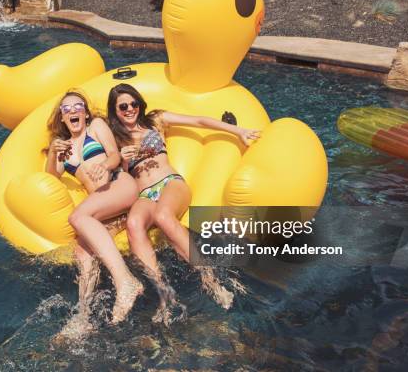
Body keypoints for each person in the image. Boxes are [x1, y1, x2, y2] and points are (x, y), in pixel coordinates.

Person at [106, 83, 260, 315]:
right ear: (115, 111)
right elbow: (117, 176)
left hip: (170, 183)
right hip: (145, 193)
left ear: (140, 104)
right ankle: (163, 294)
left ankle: (210, 280)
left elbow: (198, 121)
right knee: (134, 224)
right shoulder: (115, 139)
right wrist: (123, 161)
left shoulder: (155, 121)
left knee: (163, 215)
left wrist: (237, 131)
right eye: (123, 106)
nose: (130, 109)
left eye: (133, 103)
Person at [45, 89, 144, 337]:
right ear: (62, 117)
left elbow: (113, 154)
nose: (73, 111)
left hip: (119, 185)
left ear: (86, 112)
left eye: (78, 106)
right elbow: (50, 178)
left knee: (77, 218)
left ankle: (126, 282)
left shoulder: (95, 127)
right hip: (104, 207)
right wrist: (53, 153)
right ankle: (83, 317)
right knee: (82, 251)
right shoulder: (64, 147)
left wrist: (104, 165)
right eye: (66, 109)